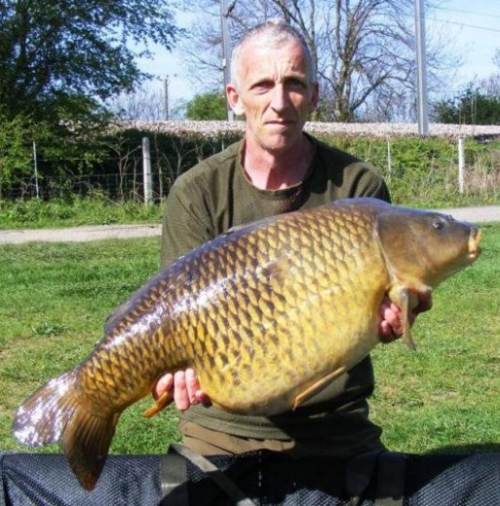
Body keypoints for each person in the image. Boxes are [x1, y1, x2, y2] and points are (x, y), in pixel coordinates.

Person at [155, 20, 426, 460]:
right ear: (234, 99)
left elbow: (380, 314)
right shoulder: (197, 192)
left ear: (314, 96)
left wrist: (396, 317)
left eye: (294, 84)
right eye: (262, 85)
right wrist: (176, 369)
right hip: (221, 427)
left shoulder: (360, 188)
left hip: (334, 424)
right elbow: (175, 319)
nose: (279, 102)